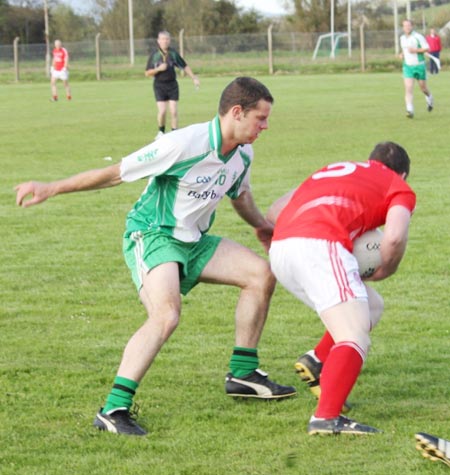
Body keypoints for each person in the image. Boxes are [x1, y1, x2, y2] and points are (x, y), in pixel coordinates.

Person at [15, 77, 296, 436]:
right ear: (237, 113)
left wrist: (262, 227)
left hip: (194, 240)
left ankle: (242, 373)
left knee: (260, 274)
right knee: (166, 315)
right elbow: (116, 174)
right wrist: (51, 188)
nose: (266, 126)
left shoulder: (243, 153)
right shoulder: (182, 143)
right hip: (153, 235)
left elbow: (240, 196)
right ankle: (113, 410)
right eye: (261, 118)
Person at [267, 142, 416, 435]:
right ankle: (326, 418)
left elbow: (274, 211)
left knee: (371, 306)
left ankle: (319, 360)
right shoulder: (398, 185)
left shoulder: (336, 170)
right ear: (403, 173)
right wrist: (387, 268)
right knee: (354, 332)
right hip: (321, 245)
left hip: (281, 249)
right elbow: (395, 237)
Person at [145, 31, 200, 140]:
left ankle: (175, 134)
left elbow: (184, 66)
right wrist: (158, 69)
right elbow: (147, 73)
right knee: (162, 111)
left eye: (167, 39)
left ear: (169, 41)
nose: (165, 41)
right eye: (162, 39)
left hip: (172, 85)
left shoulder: (173, 54)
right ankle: (161, 132)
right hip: (159, 85)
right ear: (158, 41)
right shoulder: (154, 55)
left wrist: (194, 78)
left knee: (174, 110)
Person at [399, 19, 433, 118]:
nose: (407, 27)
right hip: (407, 66)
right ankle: (410, 110)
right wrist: (402, 54)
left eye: (408, 25)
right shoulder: (402, 38)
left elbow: (427, 48)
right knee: (408, 88)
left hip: (419, 66)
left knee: (423, 88)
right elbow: (404, 50)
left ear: (412, 26)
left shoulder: (418, 37)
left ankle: (429, 98)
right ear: (403, 27)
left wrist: (415, 50)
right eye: (405, 26)